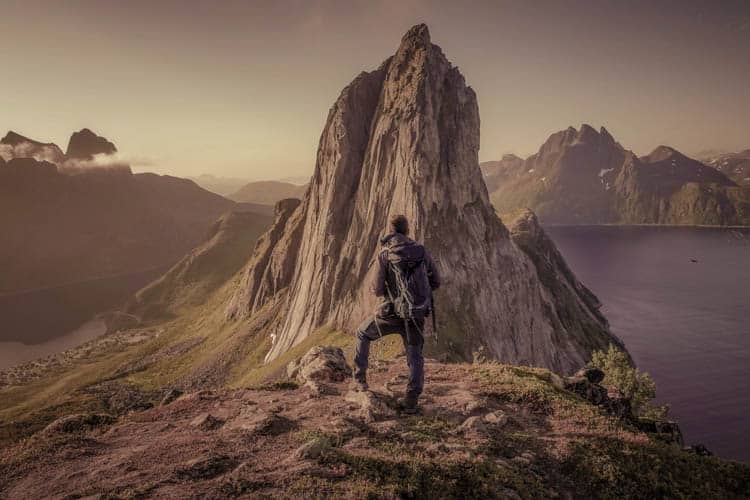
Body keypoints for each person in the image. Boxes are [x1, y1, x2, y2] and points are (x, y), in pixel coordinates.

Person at [352, 214, 441, 413]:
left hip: (392, 313)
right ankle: (411, 400)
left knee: (363, 333)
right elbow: (436, 281)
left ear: (391, 231)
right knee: (415, 354)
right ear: (407, 230)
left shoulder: (385, 254)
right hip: (416, 314)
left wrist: (395, 294)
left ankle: (360, 381)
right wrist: (417, 297)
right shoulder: (421, 251)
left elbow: (376, 289)